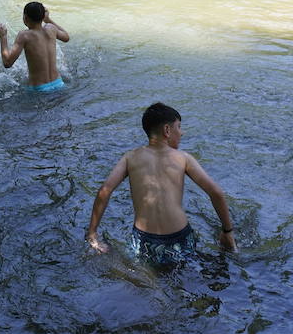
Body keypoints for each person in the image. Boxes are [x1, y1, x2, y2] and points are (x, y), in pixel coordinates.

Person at [86, 102, 236, 267]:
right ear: (167, 130)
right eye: (179, 127)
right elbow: (215, 192)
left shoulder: (130, 157)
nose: (182, 132)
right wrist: (227, 231)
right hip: (180, 237)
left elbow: (104, 191)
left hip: (144, 240)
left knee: (145, 276)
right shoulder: (183, 158)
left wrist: (92, 233)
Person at [0, 1, 69, 92]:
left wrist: (3, 37)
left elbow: (7, 63)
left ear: (25, 18)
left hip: (39, 89)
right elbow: (66, 37)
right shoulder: (51, 28)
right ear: (43, 17)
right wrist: (48, 20)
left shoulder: (24, 35)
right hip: (59, 84)